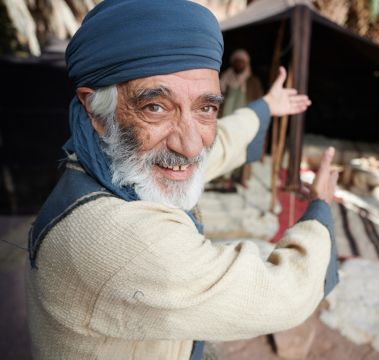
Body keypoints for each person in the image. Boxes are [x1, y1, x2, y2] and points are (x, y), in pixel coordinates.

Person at [26, 1, 339, 359]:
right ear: (96, 110)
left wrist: (265, 107)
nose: (190, 145)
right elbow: (281, 293)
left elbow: (215, 146)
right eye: (155, 107)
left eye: (206, 108)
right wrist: (319, 210)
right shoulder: (121, 239)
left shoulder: (112, 161)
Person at [218, 49, 264, 187]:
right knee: (225, 145)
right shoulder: (224, 78)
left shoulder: (253, 82)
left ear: (246, 63)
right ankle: (223, 175)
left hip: (244, 121)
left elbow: (259, 102)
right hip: (226, 119)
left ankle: (240, 176)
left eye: (242, 62)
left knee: (242, 148)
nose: (239, 64)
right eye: (237, 61)